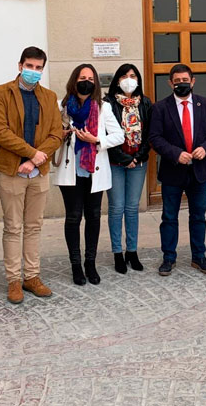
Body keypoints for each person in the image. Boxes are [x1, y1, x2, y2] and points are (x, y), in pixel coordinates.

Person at [0, 46, 63, 303]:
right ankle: (13, 280)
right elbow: (0, 131)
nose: (33, 71)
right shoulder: (1, 93)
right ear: (20, 65)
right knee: (13, 227)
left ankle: (31, 276)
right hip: (12, 170)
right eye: (29, 66)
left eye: (38, 67)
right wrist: (32, 153)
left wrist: (35, 159)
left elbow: (56, 133)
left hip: (38, 172)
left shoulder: (49, 96)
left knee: (34, 227)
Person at [52, 64, 124, 285]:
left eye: (90, 78)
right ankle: (75, 265)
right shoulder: (61, 106)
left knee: (93, 216)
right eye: (82, 77)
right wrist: (62, 134)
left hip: (95, 169)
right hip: (70, 169)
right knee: (73, 217)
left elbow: (119, 135)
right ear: (74, 80)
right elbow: (48, 133)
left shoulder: (103, 107)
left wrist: (97, 141)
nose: (86, 81)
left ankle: (90, 263)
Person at [148, 64, 206, 276]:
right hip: (173, 171)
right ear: (170, 83)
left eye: (185, 80)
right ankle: (168, 258)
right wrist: (174, 153)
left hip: (199, 171)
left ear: (193, 81)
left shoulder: (205, 104)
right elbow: (155, 138)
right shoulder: (160, 108)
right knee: (169, 217)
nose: (182, 84)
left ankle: (199, 256)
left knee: (198, 216)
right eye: (177, 81)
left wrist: (205, 148)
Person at [105, 63, 153, 274]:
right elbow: (106, 134)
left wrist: (138, 157)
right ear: (117, 80)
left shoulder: (146, 103)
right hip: (115, 162)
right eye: (124, 75)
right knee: (116, 208)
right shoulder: (107, 104)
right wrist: (124, 158)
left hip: (139, 163)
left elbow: (150, 133)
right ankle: (117, 252)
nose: (129, 79)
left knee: (132, 208)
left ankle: (131, 251)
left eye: (133, 75)